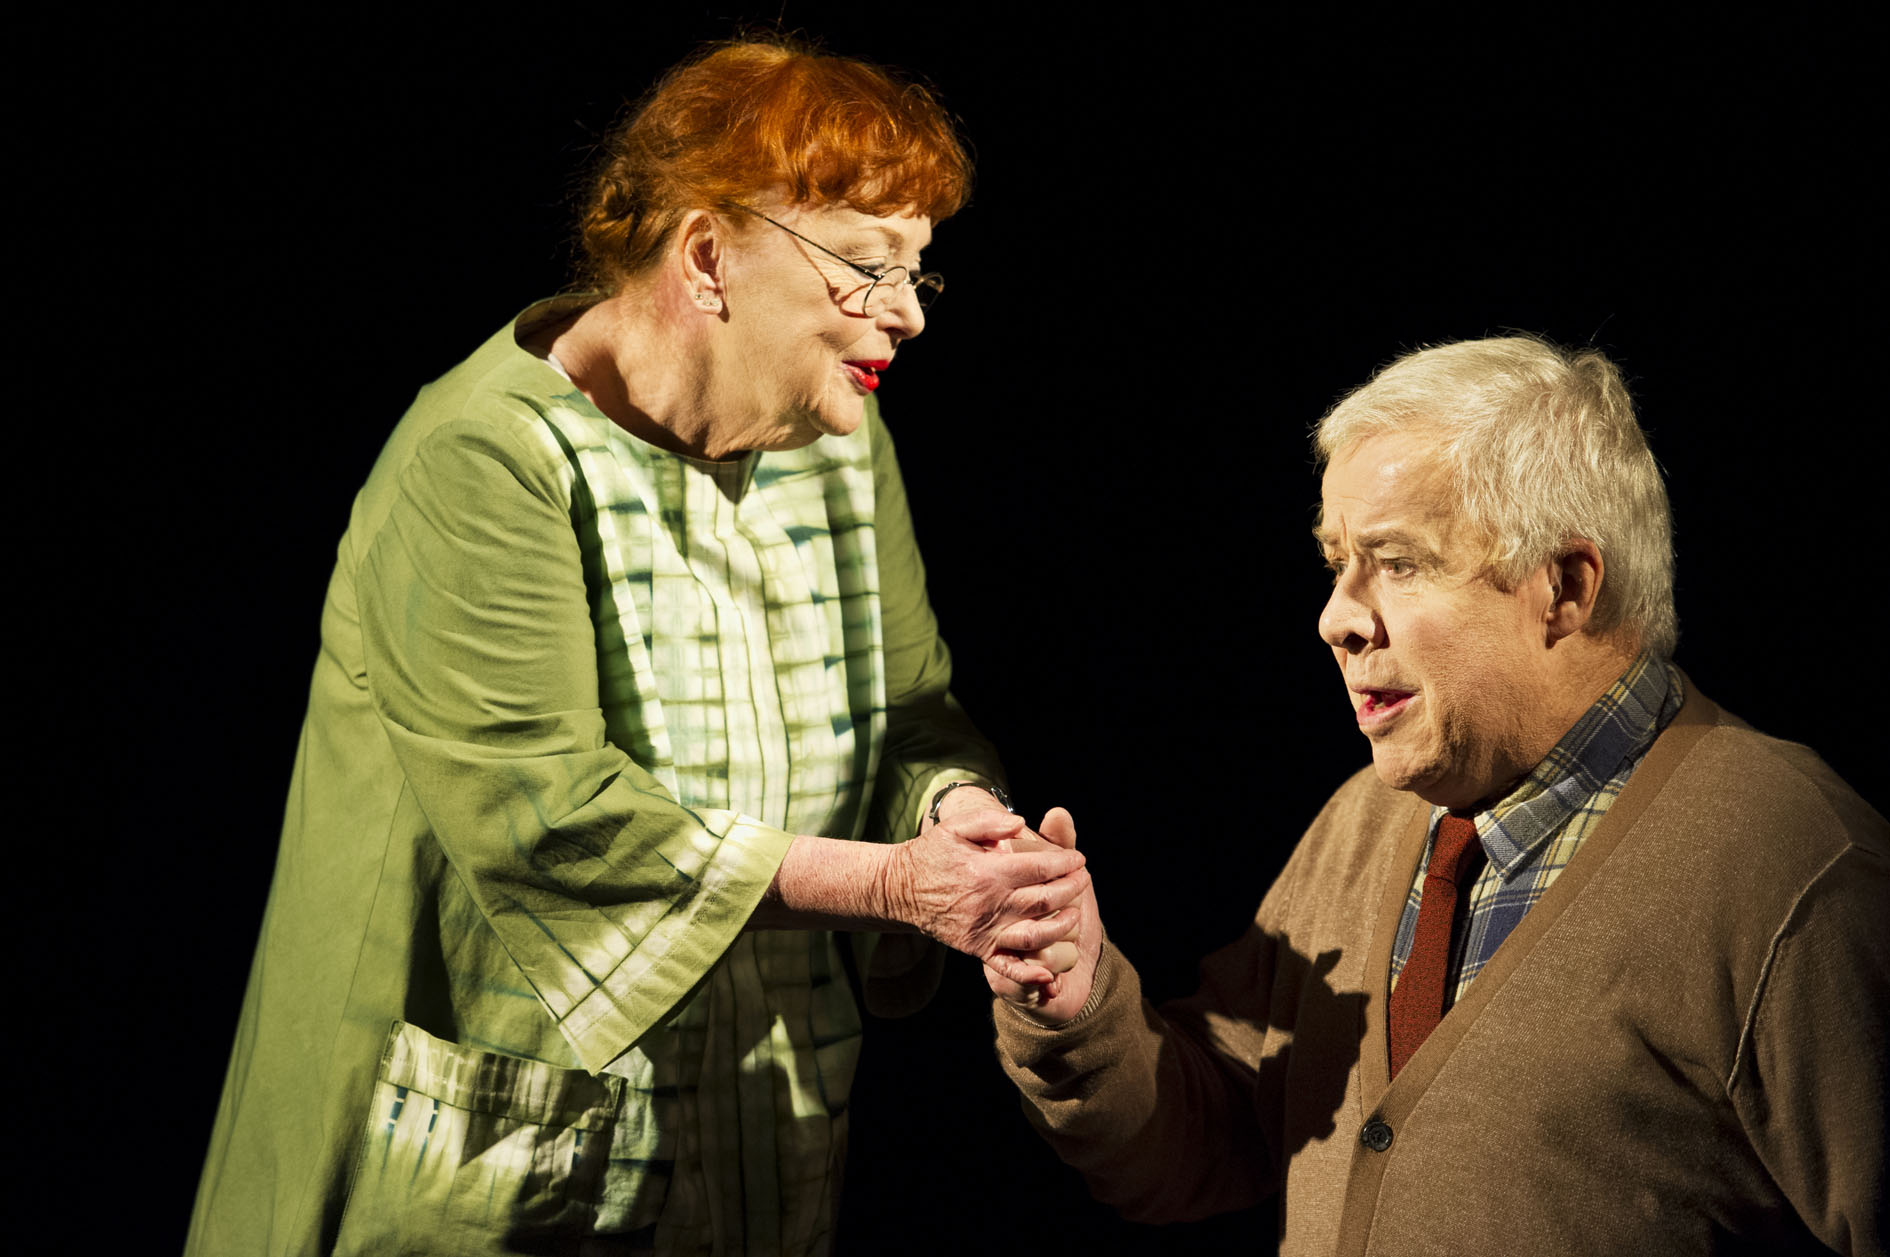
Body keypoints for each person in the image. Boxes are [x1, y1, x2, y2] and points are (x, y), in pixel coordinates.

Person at [188, 39, 1090, 1257]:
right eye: (866, 268)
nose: (909, 312)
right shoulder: (485, 459)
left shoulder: (837, 437)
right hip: (486, 1158)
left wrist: (958, 817)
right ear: (708, 257)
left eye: (917, 269)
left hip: (754, 1136)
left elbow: (908, 712)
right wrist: (893, 888)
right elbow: (546, 813)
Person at [987, 337, 1888, 1254]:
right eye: (1338, 562)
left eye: (1399, 562)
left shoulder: (1795, 864)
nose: (1337, 617)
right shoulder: (1362, 820)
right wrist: (1077, 1000)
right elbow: (1218, 1130)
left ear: (1565, 587)